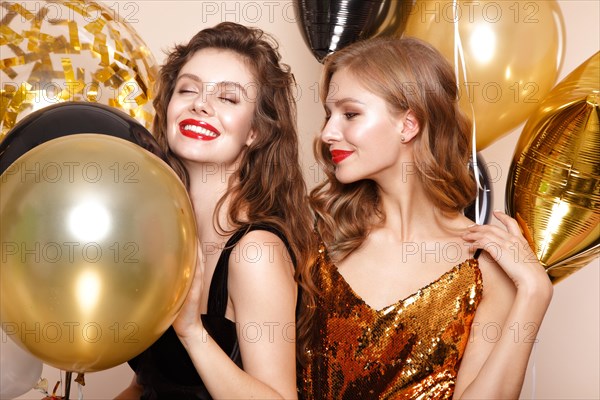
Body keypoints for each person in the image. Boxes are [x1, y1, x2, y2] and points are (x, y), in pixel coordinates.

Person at [300, 36, 553, 399]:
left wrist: (535, 293)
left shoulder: (481, 264)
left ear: (408, 124)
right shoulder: (316, 240)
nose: (327, 133)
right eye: (329, 115)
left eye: (350, 113)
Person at [116, 22, 316, 399]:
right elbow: (149, 385)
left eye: (228, 98)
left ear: (255, 132)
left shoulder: (255, 253)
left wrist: (192, 332)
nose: (200, 104)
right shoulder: (161, 234)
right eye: (188, 89)